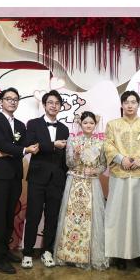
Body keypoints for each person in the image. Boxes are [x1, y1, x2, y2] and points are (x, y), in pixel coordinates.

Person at [104, 90, 140, 270]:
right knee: (118, 215)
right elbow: (108, 145)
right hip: (120, 175)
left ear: (138, 104)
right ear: (121, 105)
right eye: (126, 102)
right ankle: (119, 254)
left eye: (133, 102)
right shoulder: (112, 125)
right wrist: (121, 159)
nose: (130, 105)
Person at [0, 87, 39, 274]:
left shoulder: (20, 125)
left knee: (10, 214)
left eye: (15, 99)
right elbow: (1, 144)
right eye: (8, 98)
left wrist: (9, 151)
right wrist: (20, 150)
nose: (12, 101)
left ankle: (6, 250)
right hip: (1, 176)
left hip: (16, 175)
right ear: (1, 101)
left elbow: (19, 144)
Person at [53, 112, 109, 270]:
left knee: (92, 219)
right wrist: (76, 155)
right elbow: (69, 163)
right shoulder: (73, 140)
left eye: (91, 123)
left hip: (92, 183)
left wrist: (95, 171)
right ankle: (68, 255)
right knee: (71, 217)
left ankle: (90, 256)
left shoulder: (101, 143)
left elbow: (103, 164)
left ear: (95, 125)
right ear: (81, 124)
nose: (88, 125)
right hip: (74, 182)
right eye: (85, 123)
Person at [22, 90, 69, 269]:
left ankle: (47, 251)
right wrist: (52, 145)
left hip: (57, 179)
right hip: (37, 177)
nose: (53, 106)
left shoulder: (64, 128)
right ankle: (27, 253)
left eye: (57, 103)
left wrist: (67, 174)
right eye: (50, 102)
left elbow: (64, 156)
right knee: (33, 216)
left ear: (60, 106)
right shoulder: (33, 124)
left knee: (52, 217)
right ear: (44, 105)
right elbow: (31, 146)